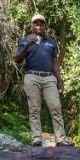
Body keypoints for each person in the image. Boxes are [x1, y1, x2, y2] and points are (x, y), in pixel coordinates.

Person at [14, 14, 72, 147]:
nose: (39, 26)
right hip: (32, 76)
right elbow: (18, 59)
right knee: (34, 108)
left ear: (45, 26)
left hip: (49, 77)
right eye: (36, 23)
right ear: (32, 26)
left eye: (41, 23)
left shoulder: (51, 42)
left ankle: (61, 138)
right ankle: (37, 138)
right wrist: (28, 44)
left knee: (56, 106)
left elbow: (55, 62)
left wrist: (59, 79)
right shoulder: (24, 40)